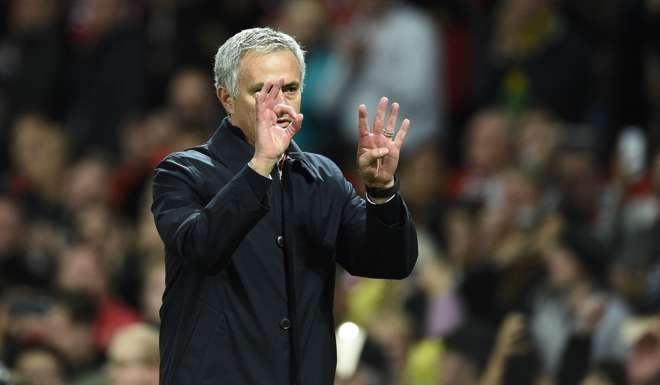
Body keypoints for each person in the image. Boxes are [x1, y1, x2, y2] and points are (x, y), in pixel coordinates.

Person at [151, 27, 418, 385]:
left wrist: (382, 191)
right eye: (261, 91)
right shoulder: (183, 173)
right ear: (226, 98)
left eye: (289, 89)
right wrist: (260, 164)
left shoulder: (323, 178)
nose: (278, 104)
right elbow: (202, 249)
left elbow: (390, 263)